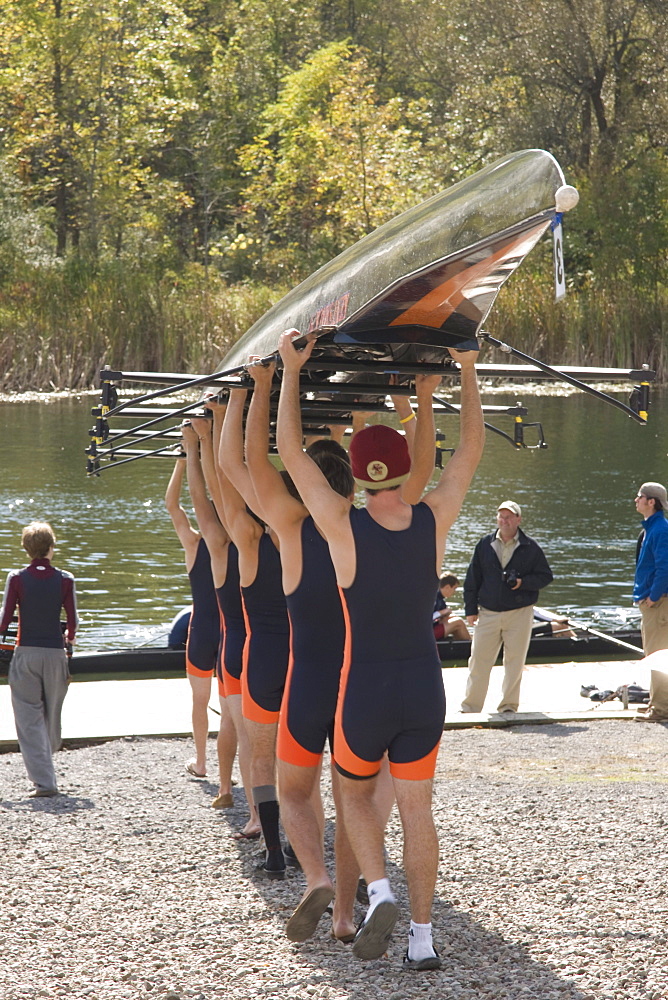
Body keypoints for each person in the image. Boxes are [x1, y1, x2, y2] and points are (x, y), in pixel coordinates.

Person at [277, 329, 484, 970]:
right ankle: (421, 938)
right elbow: (467, 454)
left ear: (360, 479)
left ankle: (380, 891)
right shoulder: (433, 517)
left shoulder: (341, 526)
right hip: (424, 683)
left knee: (354, 796)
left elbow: (292, 453)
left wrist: (290, 372)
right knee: (417, 809)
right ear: (401, 470)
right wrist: (464, 375)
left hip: (362, 686)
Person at [245, 359, 428, 943]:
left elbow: (251, 461)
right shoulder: (362, 526)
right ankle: (348, 915)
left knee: (296, 791)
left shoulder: (295, 525)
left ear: (306, 485)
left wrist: (265, 386)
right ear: (356, 478)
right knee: (360, 803)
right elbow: (420, 467)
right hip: (359, 684)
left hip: (305, 681)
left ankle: (316, 877)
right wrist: (403, 408)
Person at [218, 386, 291, 878]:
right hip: (307, 656)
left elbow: (229, 470)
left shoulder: (247, 540)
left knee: (261, 758)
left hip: (261, 657)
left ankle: (273, 848)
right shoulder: (316, 534)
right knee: (303, 757)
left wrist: (235, 404)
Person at [0, 522, 77, 797]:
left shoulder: (16, 578)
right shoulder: (65, 579)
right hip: (55, 655)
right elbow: (72, 622)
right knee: (51, 714)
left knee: (28, 717)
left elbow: (4, 619)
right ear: (51, 548)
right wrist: (70, 637)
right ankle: (49, 757)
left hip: (26, 654)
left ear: (26, 549)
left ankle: (45, 783)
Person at [460, 501, 553, 715]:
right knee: (478, 662)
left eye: (509, 517)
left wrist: (523, 582)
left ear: (519, 520)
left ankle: (509, 707)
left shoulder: (530, 547)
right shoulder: (484, 544)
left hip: (519, 613)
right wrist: (470, 609)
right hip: (488, 612)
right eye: (501, 517)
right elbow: (472, 579)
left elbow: (545, 576)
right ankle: (470, 708)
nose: (505, 520)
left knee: (514, 663)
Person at [164, 454, 223, 780]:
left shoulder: (193, 544)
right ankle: (236, 767)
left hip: (201, 631)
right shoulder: (239, 544)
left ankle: (201, 762)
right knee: (233, 709)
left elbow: (172, 505)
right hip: (231, 632)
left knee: (199, 702)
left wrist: (183, 463)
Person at [632, 482, 668, 722]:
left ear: (651, 502)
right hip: (651, 601)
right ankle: (656, 702)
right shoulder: (651, 528)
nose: (636, 500)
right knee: (653, 652)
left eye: (640, 496)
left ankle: (661, 708)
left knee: (658, 654)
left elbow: (664, 568)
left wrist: (654, 597)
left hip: (658, 603)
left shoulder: (661, 530)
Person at [433, 573, 470, 641]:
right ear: (447, 587)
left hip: (431, 629)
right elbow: (427, 619)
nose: (454, 592)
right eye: (454, 588)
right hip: (426, 634)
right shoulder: (433, 598)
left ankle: (463, 645)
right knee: (458, 622)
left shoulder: (440, 600)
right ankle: (469, 646)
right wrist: (442, 612)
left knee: (456, 618)